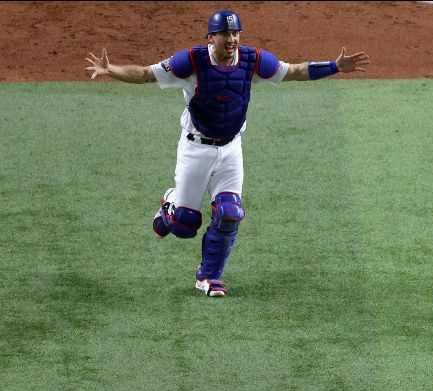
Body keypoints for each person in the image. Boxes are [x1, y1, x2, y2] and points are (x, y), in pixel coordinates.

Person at [85, 9, 369, 297]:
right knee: (185, 225)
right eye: (224, 34)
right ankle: (171, 204)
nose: (231, 39)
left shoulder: (252, 60)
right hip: (196, 149)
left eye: (235, 33)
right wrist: (111, 70)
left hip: (231, 149)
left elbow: (295, 71)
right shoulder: (191, 62)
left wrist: (334, 66)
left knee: (229, 213)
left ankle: (208, 277)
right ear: (211, 37)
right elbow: (146, 74)